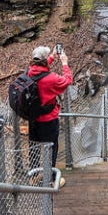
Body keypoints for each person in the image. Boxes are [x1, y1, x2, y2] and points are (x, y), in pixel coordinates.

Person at [27, 45, 72, 187]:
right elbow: (67, 80)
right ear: (44, 60)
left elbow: (41, 71)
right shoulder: (51, 79)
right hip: (49, 120)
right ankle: (52, 179)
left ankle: (33, 176)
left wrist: (51, 57)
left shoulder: (29, 73)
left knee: (34, 147)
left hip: (33, 118)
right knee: (51, 148)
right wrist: (64, 63)